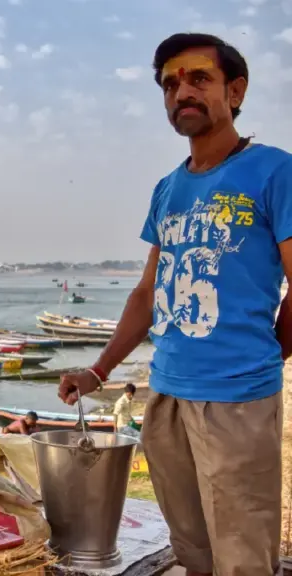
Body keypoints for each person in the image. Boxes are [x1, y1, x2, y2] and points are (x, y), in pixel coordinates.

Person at [58, 33, 292, 576]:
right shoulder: (168, 189)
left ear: (235, 91)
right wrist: (98, 370)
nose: (180, 92)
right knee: (193, 551)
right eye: (169, 84)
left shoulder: (274, 172)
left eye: (198, 79)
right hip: (165, 396)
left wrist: (267, 357)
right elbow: (147, 292)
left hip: (238, 401)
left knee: (245, 558)